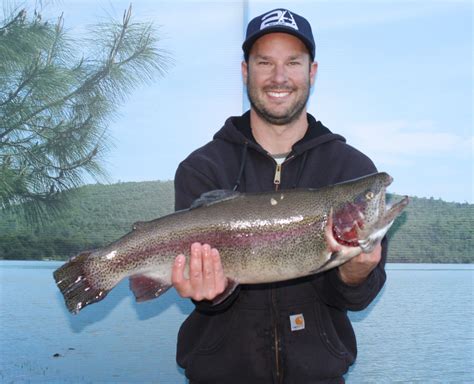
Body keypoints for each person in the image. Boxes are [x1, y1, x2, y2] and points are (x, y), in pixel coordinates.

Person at [171, 8, 387, 384]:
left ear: (311, 73)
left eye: (293, 62)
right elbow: (207, 301)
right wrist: (208, 293)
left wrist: (358, 271)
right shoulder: (201, 167)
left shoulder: (353, 171)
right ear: (245, 72)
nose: (279, 77)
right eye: (265, 62)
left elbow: (355, 299)